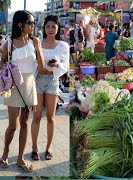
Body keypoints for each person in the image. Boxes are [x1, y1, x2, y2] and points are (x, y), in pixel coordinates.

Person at [0, 10, 45, 172]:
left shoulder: (35, 42)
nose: (33, 25)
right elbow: (2, 61)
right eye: (30, 23)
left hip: (29, 84)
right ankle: (5, 153)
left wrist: (39, 48)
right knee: (13, 125)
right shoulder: (9, 43)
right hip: (13, 86)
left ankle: (20, 158)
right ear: (20, 25)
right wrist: (7, 71)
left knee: (25, 123)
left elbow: (41, 67)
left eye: (33, 23)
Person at [31, 15, 69, 161]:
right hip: (38, 80)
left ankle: (49, 147)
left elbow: (65, 65)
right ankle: (34, 148)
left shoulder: (63, 45)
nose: (51, 29)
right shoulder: (38, 43)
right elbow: (33, 62)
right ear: (44, 28)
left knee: (51, 117)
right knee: (36, 116)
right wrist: (40, 68)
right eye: (48, 26)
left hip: (53, 80)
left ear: (58, 28)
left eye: (54, 26)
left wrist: (56, 65)